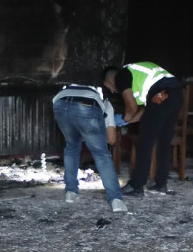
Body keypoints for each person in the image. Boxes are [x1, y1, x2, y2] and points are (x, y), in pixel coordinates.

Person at [102, 62, 184, 197]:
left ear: (110, 79)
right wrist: (127, 120)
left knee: (145, 143)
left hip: (161, 94)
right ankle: (161, 184)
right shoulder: (138, 77)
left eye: (108, 86)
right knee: (164, 141)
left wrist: (120, 119)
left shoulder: (121, 76)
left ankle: (136, 186)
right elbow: (147, 111)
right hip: (174, 95)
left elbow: (132, 108)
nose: (112, 91)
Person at [52, 83, 128, 213]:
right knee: (101, 154)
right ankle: (116, 199)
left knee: (71, 147)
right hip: (87, 105)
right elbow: (112, 140)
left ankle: (71, 192)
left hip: (60, 102)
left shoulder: (80, 86)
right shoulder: (106, 103)